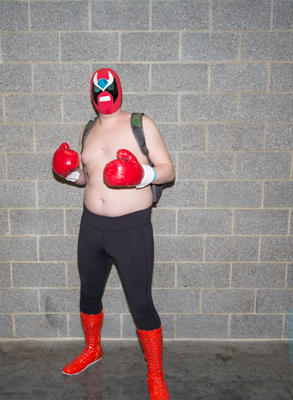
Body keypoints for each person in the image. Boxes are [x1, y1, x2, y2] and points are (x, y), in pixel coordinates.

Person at [52, 68, 175, 400]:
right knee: (88, 294)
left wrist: (141, 174)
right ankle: (92, 349)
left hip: (130, 229)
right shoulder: (87, 129)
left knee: (141, 304)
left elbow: (168, 171)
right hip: (91, 226)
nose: (103, 92)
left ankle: (156, 376)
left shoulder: (140, 124)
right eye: (98, 88)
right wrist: (70, 172)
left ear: (118, 88)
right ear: (92, 94)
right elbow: (86, 178)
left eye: (108, 86)